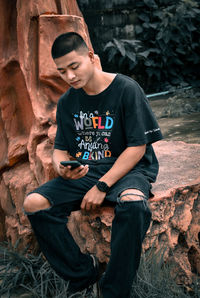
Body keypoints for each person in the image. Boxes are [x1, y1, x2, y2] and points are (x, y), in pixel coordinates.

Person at [23, 32, 163, 298]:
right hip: (86, 173)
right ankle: (83, 275)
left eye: (75, 66)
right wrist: (62, 166)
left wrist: (103, 185)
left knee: (133, 205)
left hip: (129, 171)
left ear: (90, 57)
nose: (70, 76)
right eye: (63, 71)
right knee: (34, 204)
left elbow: (137, 148)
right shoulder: (67, 102)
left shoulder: (126, 89)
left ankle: (113, 290)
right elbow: (60, 148)